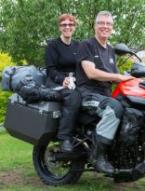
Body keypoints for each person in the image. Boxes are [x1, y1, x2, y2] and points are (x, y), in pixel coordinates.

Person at [76, 11, 134, 174]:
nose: (105, 26)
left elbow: (115, 78)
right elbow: (91, 73)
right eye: (101, 23)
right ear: (95, 25)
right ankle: (97, 156)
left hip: (104, 94)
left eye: (108, 24)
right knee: (113, 109)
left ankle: (120, 154)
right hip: (87, 94)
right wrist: (119, 76)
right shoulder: (86, 45)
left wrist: (133, 78)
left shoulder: (110, 50)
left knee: (131, 109)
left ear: (112, 28)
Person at [45, 13, 81, 152]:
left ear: (74, 27)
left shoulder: (79, 45)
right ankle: (64, 137)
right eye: (64, 25)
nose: (67, 27)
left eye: (70, 24)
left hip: (75, 82)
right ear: (59, 27)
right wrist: (63, 80)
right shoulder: (53, 45)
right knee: (73, 97)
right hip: (56, 82)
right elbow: (50, 70)